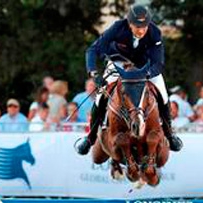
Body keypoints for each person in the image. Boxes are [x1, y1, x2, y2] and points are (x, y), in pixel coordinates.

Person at [75, 4, 183, 155]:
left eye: (144, 26)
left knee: (163, 95)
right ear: (129, 23)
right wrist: (94, 74)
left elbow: (158, 63)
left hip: (145, 67)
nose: (141, 30)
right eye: (137, 26)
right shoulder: (118, 28)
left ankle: (170, 134)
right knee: (100, 97)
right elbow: (93, 50)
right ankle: (90, 138)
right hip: (119, 63)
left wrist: (146, 74)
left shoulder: (155, 32)